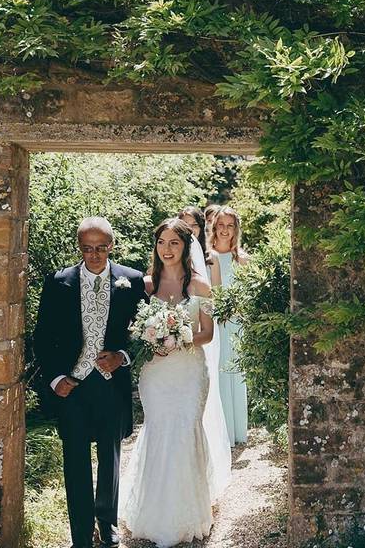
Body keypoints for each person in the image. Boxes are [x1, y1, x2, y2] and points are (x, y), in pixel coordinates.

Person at [33, 217, 147, 548]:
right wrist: (55, 379)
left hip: (110, 384)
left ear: (111, 246)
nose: (94, 255)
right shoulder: (58, 281)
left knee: (110, 457)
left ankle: (107, 524)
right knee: (75, 460)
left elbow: (142, 334)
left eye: (100, 248)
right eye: (87, 248)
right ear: (79, 248)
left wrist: (122, 356)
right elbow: (43, 338)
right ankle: (81, 534)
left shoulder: (132, 280)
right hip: (73, 384)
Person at [120, 218, 232, 547]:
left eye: (174, 243)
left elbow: (209, 333)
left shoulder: (200, 285)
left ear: (186, 247)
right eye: (161, 242)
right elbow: (132, 328)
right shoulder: (146, 285)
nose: (167, 249)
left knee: (185, 430)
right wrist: (151, 339)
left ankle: (188, 514)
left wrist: (178, 339)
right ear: (155, 246)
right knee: (158, 429)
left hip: (189, 372)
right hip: (156, 373)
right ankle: (153, 512)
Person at [206, 206, 250, 446]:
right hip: (214, 322)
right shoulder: (206, 257)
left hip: (236, 323)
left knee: (235, 374)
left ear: (236, 230)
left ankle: (236, 432)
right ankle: (219, 433)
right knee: (217, 373)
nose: (224, 230)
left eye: (229, 226)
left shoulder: (242, 260)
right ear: (214, 227)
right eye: (220, 225)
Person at [178, 205, 209, 280]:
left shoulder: (211, 257)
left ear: (201, 228)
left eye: (194, 225)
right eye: (185, 224)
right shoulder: (171, 253)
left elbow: (216, 290)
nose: (190, 229)